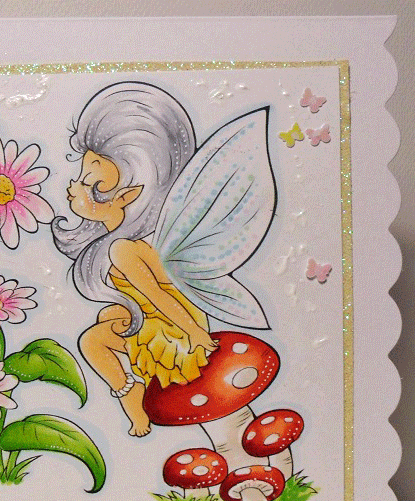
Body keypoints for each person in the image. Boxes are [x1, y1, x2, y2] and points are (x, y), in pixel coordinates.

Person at [52, 82, 275, 437]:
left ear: (126, 195)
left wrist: (195, 333)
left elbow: (159, 297)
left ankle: (131, 397)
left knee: (92, 342)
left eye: (86, 182)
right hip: (164, 322)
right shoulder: (124, 244)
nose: (72, 187)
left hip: (175, 330)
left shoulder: (123, 249)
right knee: (101, 330)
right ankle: (134, 393)